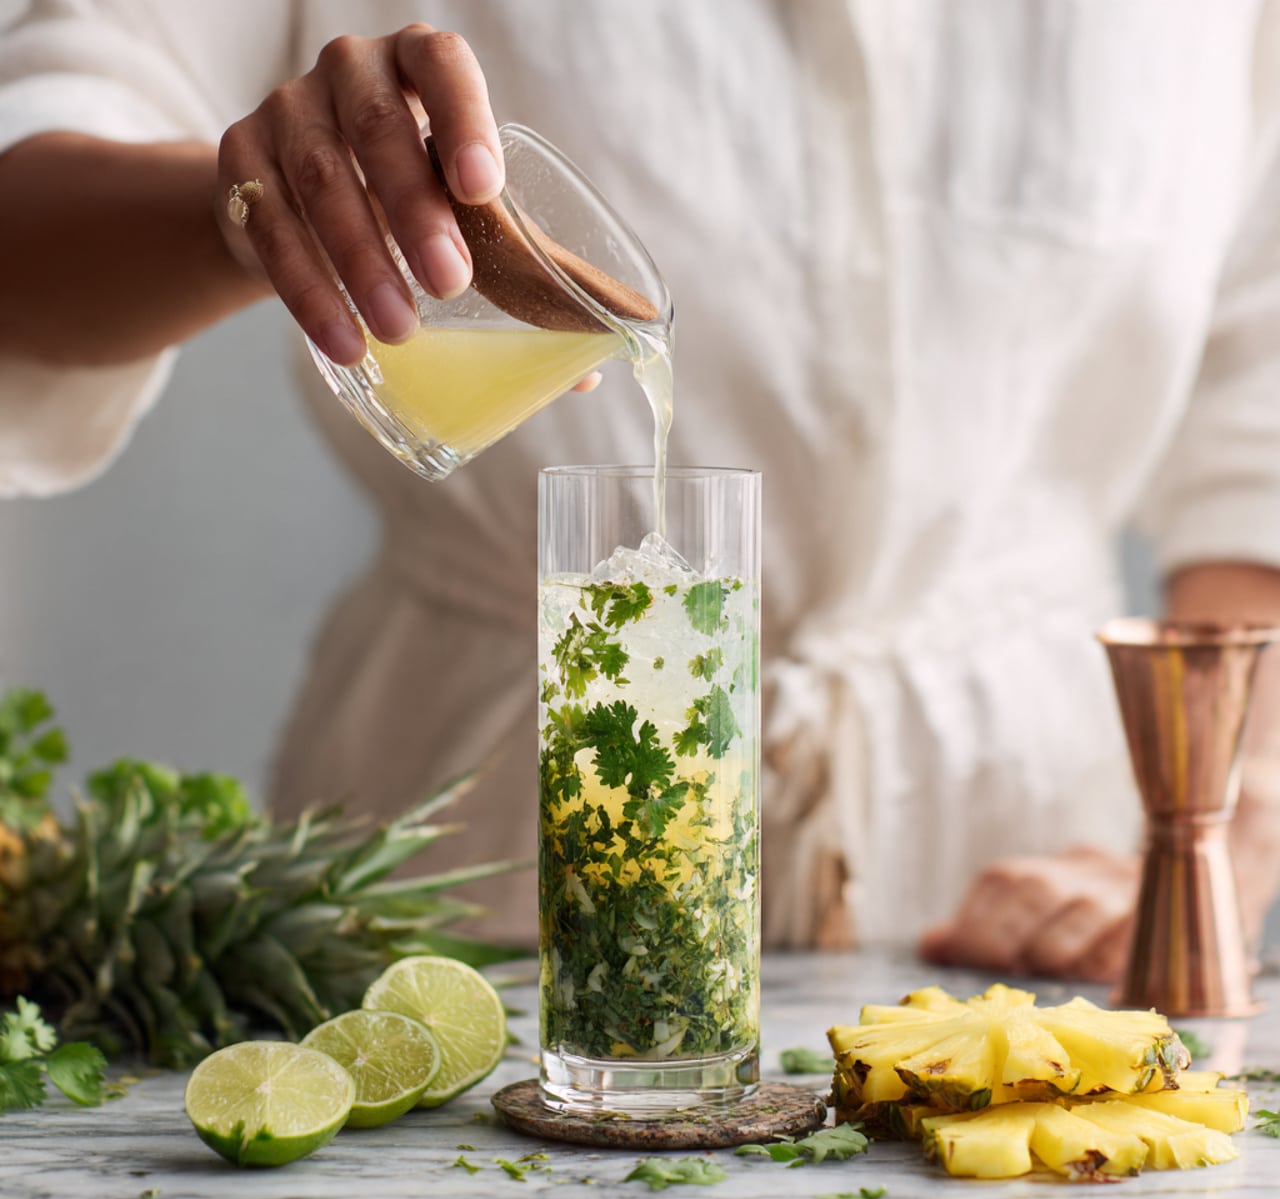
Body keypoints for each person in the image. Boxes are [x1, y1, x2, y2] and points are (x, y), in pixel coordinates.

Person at [4, 0, 1280, 972]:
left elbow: (1257, 422)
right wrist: (251, 204)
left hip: (1029, 874)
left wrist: (1218, 834)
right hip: (483, 854)